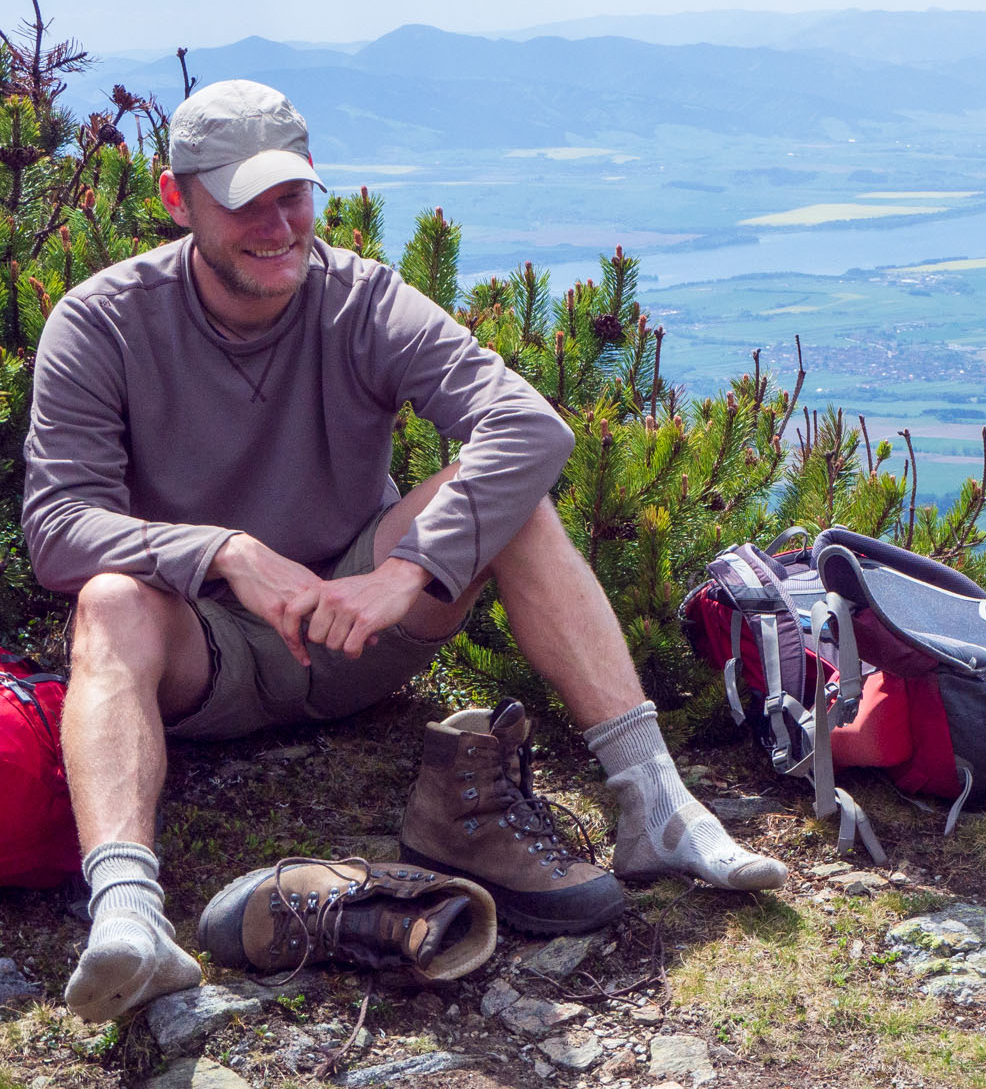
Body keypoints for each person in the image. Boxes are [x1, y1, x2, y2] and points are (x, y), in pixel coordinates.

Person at [22, 79, 786, 1025]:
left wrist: (406, 572)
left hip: (357, 631)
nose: (276, 224)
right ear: (177, 200)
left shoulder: (361, 297)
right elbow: (58, 525)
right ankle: (129, 914)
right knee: (105, 600)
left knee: (519, 506)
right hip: (200, 656)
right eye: (243, 200)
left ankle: (655, 805)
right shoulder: (102, 321)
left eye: (292, 194)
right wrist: (223, 552)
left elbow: (527, 428)